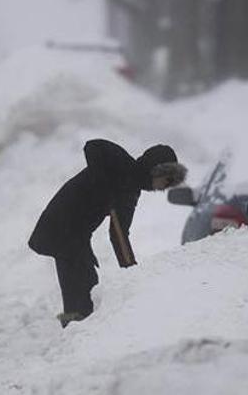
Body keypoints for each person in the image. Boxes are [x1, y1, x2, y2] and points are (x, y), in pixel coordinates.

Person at [28, 139, 187, 328]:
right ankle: (74, 335)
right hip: (61, 228)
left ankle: (74, 332)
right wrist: (102, 184)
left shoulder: (130, 193)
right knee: (81, 287)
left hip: (74, 235)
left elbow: (118, 234)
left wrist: (131, 273)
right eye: (167, 179)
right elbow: (92, 146)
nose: (166, 187)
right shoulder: (122, 164)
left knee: (84, 286)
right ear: (155, 170)